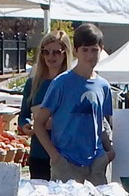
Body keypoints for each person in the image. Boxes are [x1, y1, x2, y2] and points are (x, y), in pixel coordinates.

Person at [33, 22, 117, 184]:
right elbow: (39, 123)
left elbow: (102, 123)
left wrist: (109, 152)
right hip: (66, 164)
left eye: (94, 50)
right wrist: (56, 157)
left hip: (96, 164)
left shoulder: (104, 86)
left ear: (101, 50)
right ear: (76, 51)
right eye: (85, 50)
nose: (90, 55)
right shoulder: (61, 83)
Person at [17, 31, 72, 180]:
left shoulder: (71, 83)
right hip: (38, 153)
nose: (50, 56)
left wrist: (55, 122)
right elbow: (23, 115)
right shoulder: (33, 83)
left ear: (65, 54)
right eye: (45, 52)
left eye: (56, 52)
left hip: (65, 153)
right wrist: (26, 125)